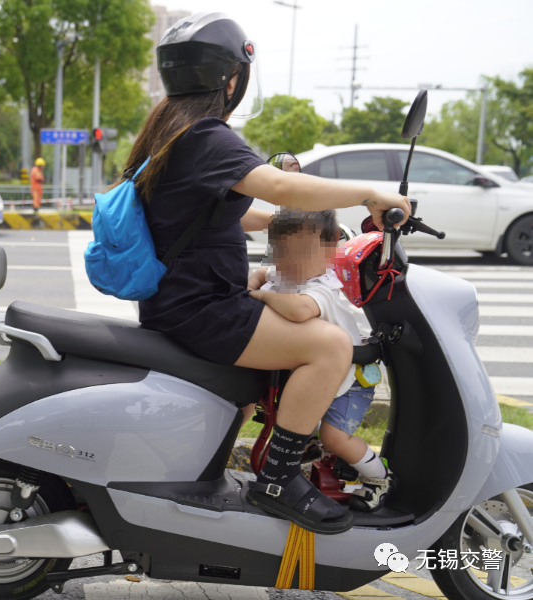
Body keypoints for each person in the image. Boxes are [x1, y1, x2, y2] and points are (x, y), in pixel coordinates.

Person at [122, 12, 411, 534]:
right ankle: (279, 478)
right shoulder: (206, 136)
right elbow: (281, 187)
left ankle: (239, 469)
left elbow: (232, 211)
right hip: (201, 308)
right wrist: (370, 193)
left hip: (182, 300)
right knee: (329, 346)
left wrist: (302, 227)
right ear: (232, 79)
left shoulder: (171, 130)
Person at [247, 209, 396, 513]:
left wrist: (258, 296)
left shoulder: (323, 286)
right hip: (319, 377)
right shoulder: (283, 274)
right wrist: (257, 280)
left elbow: (300, 310)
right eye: (281, 252)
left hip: (349, 382)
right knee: (293, 422)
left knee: (334, 437)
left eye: (303, 253)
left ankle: (380, 479)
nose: (290, 261)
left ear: (329, 252)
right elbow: (261, 275)